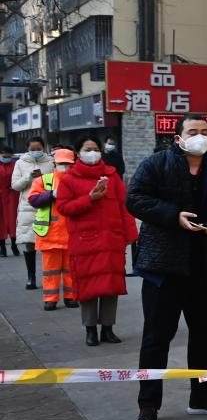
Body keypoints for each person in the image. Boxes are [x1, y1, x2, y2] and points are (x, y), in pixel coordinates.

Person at [127, 113, 207, 420]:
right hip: (163, 267)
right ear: (178, 138)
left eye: (205, 131)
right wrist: (172, 215)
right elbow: (135, 198)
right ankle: (148, 404)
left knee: (206, 336)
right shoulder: (157, 163)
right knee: (156, 338)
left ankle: (201, 396)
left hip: (205, 266)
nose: (200, 136)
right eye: (192, 131)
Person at [56, 136, 137, 346]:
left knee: (111, 286)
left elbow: (124, 206)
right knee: (88, 287)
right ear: (78, 153)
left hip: (111, 240)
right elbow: (63, 208)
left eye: (95, 148)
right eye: (87, 149)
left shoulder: (112, 176)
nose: (92, 152)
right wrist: (89, 199)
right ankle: (90, 330)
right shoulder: (69, 179)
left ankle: (108, 329)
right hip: (84, 241)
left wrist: (130, 234)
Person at [27, 149, 77, 311]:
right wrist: (52, 194)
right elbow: (33, 200)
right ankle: (50, 299)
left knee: (71, 270)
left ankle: (71, 297)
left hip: (70, 235)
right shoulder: (44, 180)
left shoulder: (77, 181)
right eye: (62, 164)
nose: (65, 167)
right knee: (50, 271)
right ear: (55, 164)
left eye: (68, 164)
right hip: (50, 235)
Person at [11, 137, 54, 290]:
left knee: (49, 243)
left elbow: (58, 181)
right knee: (29, 242)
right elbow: (15, 186)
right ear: (27, 149)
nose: (36, 151)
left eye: (39, 149)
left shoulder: (51, 162)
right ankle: (31, 277)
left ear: (44, 147)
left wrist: (44, 178)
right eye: (32, 149)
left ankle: (50, 277)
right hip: (27, 207)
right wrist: (28, 176)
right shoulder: (20, 163)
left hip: (47, 205)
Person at [0, 146, 18, 257]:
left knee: (13, 220)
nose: (6, 158)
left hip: (12, 194)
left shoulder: (15, 165)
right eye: (4, 156)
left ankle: (14, 245)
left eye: (8, 156)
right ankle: (2, 248)